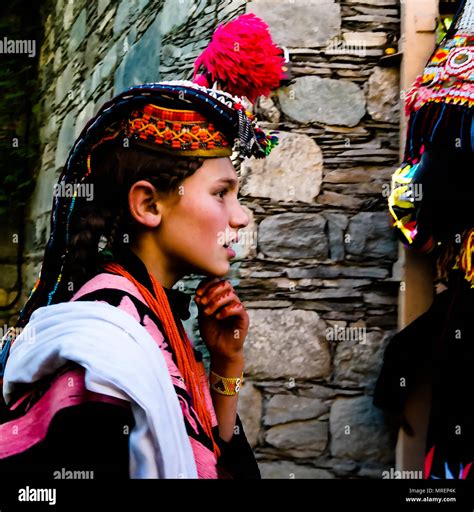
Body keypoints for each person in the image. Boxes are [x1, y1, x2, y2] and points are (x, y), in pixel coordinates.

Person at [0, 14, 286, 479]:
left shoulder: (153, 316)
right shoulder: (101, 359)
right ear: (149, 205)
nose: (241, 216)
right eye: (221, 193)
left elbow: (221, 460)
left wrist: (227, 363)